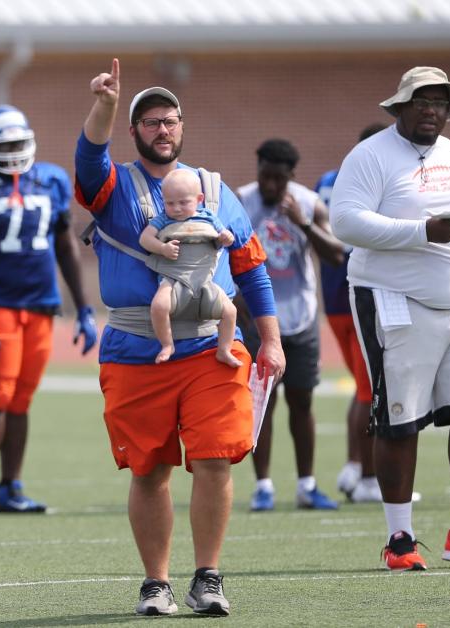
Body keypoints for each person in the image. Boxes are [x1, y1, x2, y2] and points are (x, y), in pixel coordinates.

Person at [75, 58, 284, 617]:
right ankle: (156, 582)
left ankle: (208, 577)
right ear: (135, 130)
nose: (161, 129)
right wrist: (105, 106)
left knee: (216, 460)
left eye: (170, 120)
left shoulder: (217, 190)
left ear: (182, 127)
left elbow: (251, 268)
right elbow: (88, 158)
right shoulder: (113, 186)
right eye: (149, 122)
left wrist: (270, 340)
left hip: (211, 348)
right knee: (149, 470)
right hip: (136, 349)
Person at [331, 66, 450, 571]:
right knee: (399, 419)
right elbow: (345, 222)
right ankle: (398, 538)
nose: (432, 110)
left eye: (441, 102)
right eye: (421, 101)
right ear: (399, 106)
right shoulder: (370, 155)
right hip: (394, 298)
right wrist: (422, 231)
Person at [0, 104, 98, 516]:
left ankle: (12, 486)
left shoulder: (51, 180)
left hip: (41, 305)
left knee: (22, 399)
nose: (12, 151)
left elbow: (66, 246)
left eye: (18, 143)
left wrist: (83, 307)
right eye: (3, 144)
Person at [236, 139, 346, 512]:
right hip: (258, 319)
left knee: (303, 401)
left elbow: (335, 256)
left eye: (278, 179)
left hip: (300, 318)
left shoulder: (309, 202)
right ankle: (263, 486)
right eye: (265, 176)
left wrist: (303, 222)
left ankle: (306, 485)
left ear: (291, 177)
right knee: (262, 403)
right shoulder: (241, 200)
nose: (270, 185)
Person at [316, 123, 386, 503]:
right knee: (369, 389)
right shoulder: (369, 179)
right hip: (362, 293)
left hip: (333, 297)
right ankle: (365, 477)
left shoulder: (328, 179)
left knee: (363, 386)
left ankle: (353, 468)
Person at [138, 169, 240, 366]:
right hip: (173, 280)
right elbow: (145, 239)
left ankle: (224, 349)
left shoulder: (209, 217)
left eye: (183, 202)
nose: (176, 208)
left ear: (199, 198)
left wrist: (226, 237)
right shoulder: (163, 219)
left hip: (204, 282)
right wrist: (162, 248)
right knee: (159, 306)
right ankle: (167, 344)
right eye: (170, 203)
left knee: (230, 312)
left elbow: (225, 236)